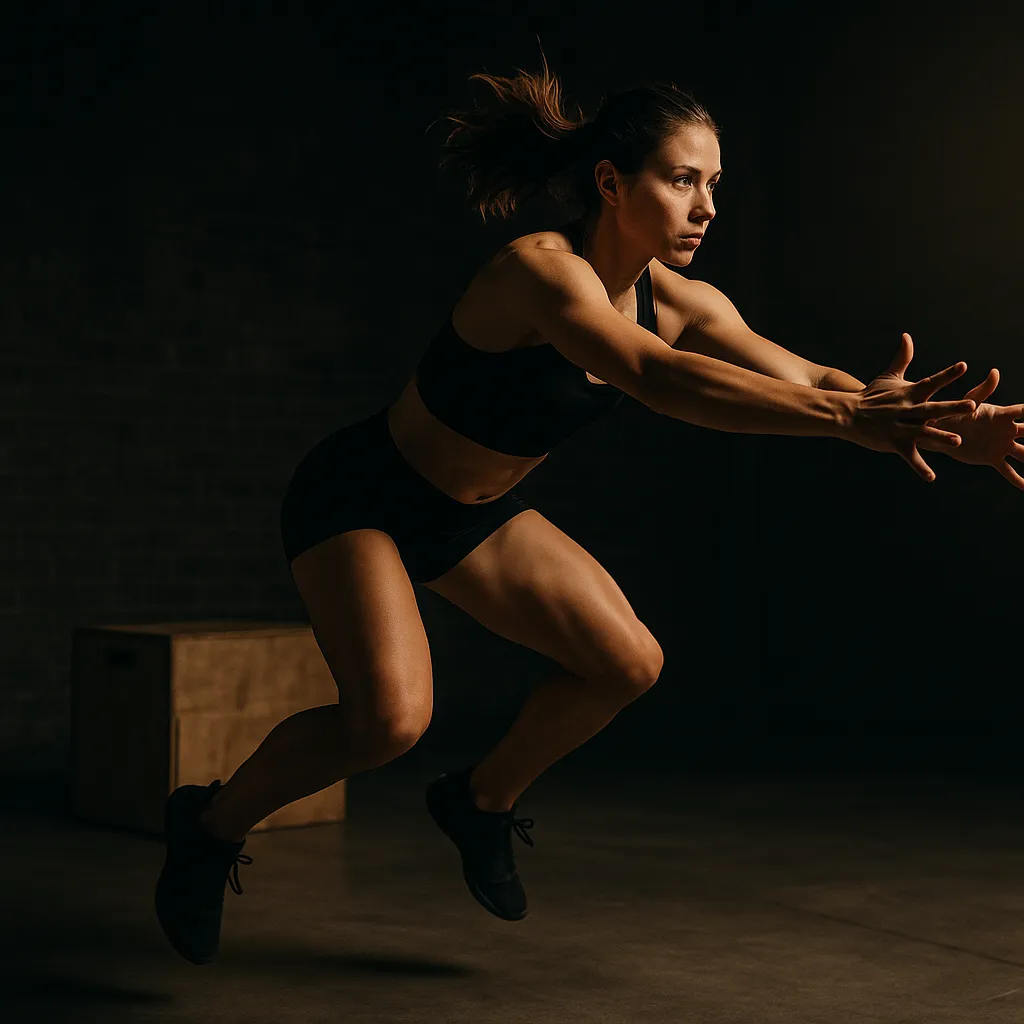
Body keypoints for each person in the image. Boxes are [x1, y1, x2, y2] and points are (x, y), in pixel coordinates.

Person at [154, 52, 1024, 966]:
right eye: (683, 179)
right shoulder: (541, 272)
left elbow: (803, 374)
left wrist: (933, 423)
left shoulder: (680, 299)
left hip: (472, 515)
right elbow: (654, 377)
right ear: (611, 182)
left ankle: (478, 801)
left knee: (626, 662)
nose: (707, 207)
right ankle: (209, 826)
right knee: (389, 722)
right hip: (364, 494)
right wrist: (850, 419)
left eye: (715, 184)